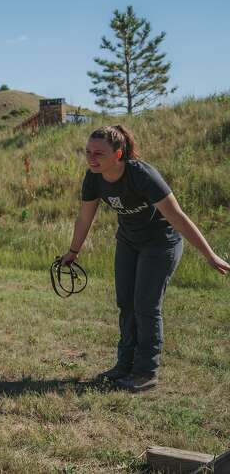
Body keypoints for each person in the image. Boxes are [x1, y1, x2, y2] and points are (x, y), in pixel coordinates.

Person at [60, 125, 229, 392]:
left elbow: (177, 217)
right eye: (88, 152)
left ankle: (145, 372)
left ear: (118, 154)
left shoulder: (142, 175)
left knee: (146, 306)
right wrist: (73, 251)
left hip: (161, 243)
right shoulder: (93, 177)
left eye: (99, 153)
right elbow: (85, 217)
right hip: (128, 241)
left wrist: (209, 254)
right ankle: (124, 366)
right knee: (125, 302)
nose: (92, 158)